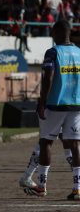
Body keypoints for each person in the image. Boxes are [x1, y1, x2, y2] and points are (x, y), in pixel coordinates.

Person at [24, 19, 80, 200]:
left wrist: (42, 101)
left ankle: (41, 185)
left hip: (55, 104)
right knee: (75, 144)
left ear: (56, 32)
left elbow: (48, 77)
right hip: (76, 104)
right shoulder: (79, 52)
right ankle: (77, 187)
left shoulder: (53, 52)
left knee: (46, 142)